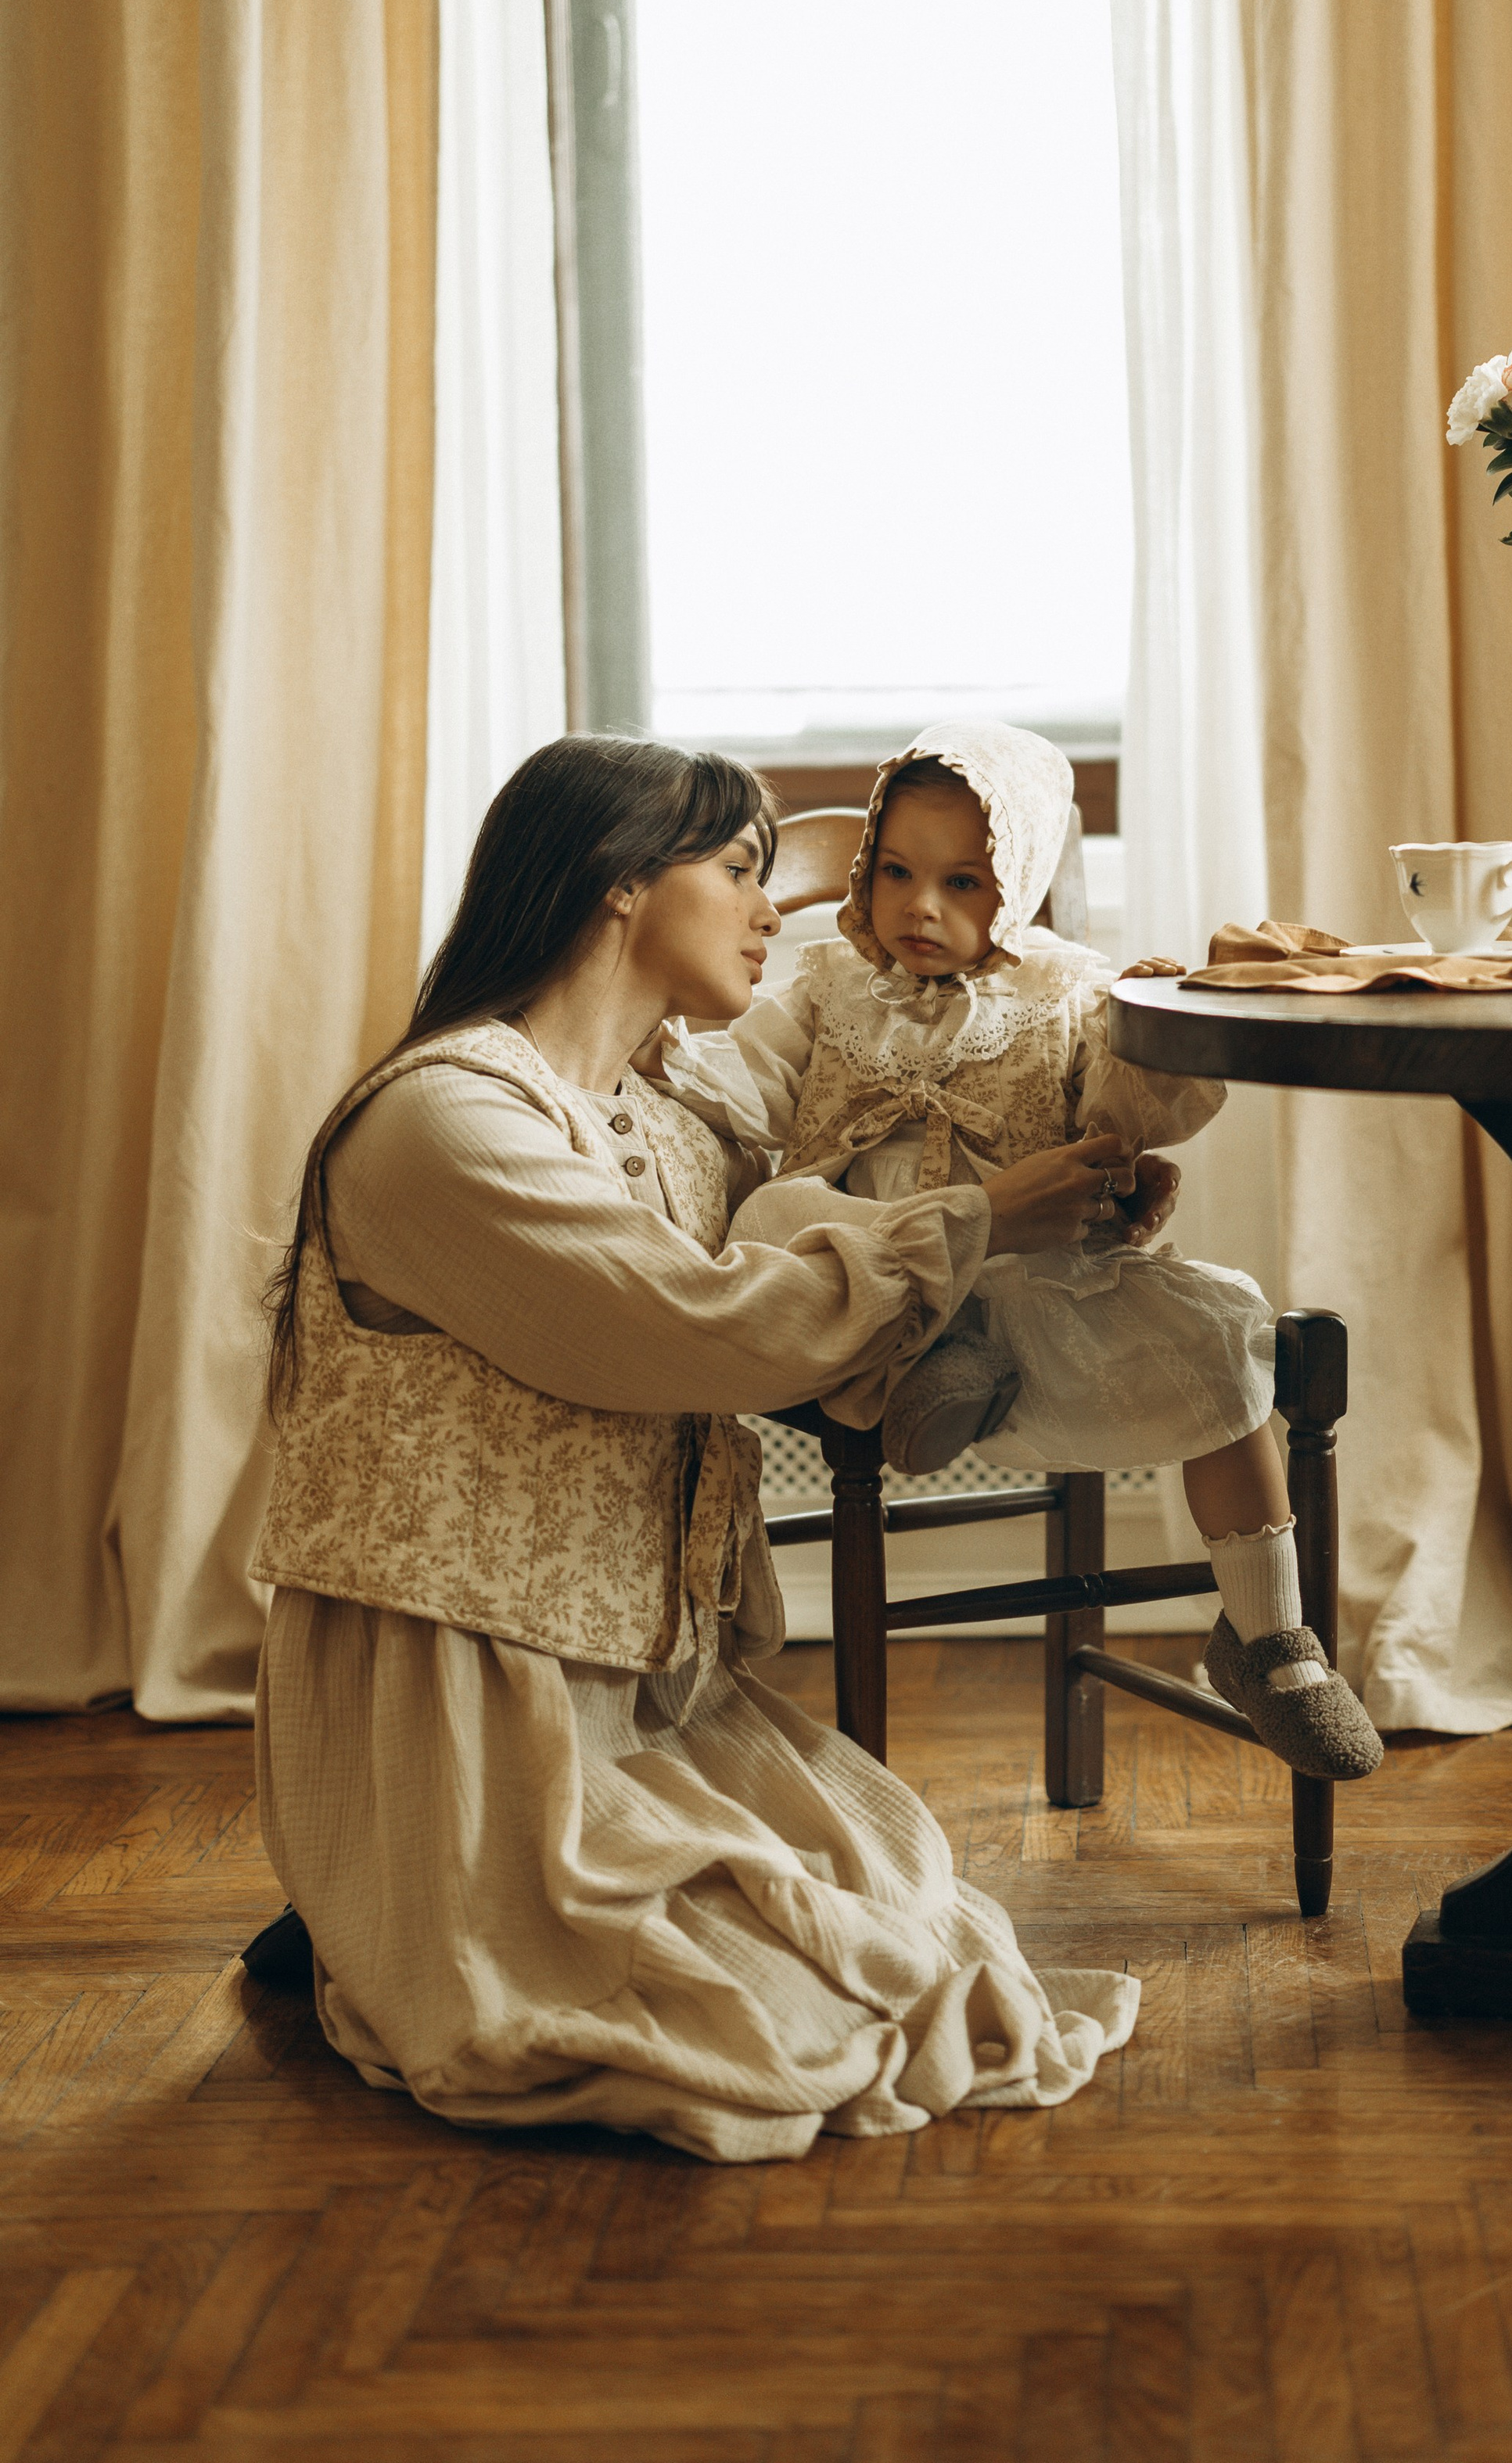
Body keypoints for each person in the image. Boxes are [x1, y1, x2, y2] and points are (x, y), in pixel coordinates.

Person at [250, 734, 1146, 2164]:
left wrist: (1058, 1152)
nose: (774, 908)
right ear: (618, 886)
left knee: (897, 1896)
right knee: (760, 2020)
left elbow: (819, 1206)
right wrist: (979, 1225)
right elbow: (709, 1324)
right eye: (737, 870)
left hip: (626, 1659)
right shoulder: (445, 1119)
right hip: (469, 1670)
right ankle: (396, 1887)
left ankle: (389, 1912)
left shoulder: (660, 1110)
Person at [666, 720, 1381, 1780]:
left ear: (1027, 879)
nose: (920, 907)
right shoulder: (826, 984)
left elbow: (1132, 1111)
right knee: (777, 1214)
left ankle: (1270, 1641)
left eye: (965, 883)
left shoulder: (1070, 991)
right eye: (897, 872)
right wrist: (651, 1042)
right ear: (866, 863)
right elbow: (741, 1084)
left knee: (1216, 1342)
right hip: (869, 1278)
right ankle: (935, 1356)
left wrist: (1180, 1011)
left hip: (1034, 1279)